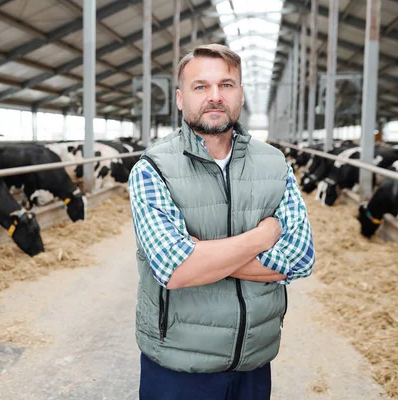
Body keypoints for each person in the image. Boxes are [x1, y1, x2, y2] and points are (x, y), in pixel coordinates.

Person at [128, 44, 315, 400]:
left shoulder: (275, 164)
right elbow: (175, 270)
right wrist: (264, 236)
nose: (215, 96)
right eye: (201, 87)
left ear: (241, 95)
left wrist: (202, 255)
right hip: (178, 366)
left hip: (254, 360)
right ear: (181, 99)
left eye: (226, 85)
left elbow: (300, 259)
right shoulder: (153, 168)